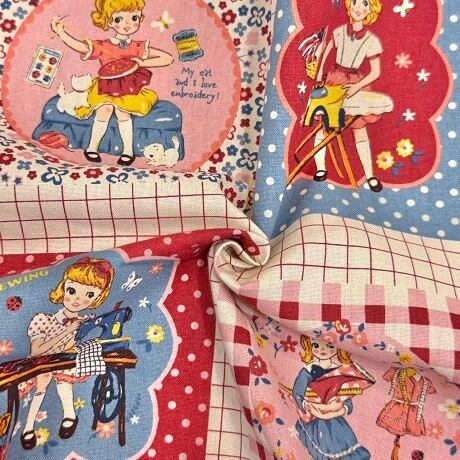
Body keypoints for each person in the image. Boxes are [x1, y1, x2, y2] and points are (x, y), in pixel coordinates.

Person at [50, 0, 174, 166]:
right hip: (106, 86)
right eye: (118, 19)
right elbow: (81, 47)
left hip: (129, 88)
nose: (127, 24)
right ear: (108, 22)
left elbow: (167, 58)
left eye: (134, 18)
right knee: (104, 110)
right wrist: (61, 33)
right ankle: (92, 148)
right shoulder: (103, 45)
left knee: (123, 113)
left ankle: (128, 151)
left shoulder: (137, 46)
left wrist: (142, 62)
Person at [21, 258, 114, 450]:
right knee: (44, 376)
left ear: (97, 298)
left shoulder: (81, 322)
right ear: (63, 287)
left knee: (64, 375)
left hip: (60, 361)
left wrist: (78, 333)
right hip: (40, 363)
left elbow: (70, 348)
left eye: (89, 295)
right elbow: (36, 351)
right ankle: (28, 426)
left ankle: (69, 415)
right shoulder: (42, 320)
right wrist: (68, 330)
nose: (77, 300)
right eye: (72, 291)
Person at [313, 0, 392, 192]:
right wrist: (319, 73)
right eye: (355, 2)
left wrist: (357, 87)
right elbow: (326, 51)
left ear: (371, 10)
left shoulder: (371, 40)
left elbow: (376, 72)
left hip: (355, 82)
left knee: (359, 127)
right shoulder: (339, 31)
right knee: (324, 126)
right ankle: (320, 168)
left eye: (365, 4)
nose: (358, 7)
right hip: (333, 79)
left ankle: (369, 175)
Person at [292, 336, 372, 460]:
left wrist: (342, 408)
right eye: (316, 345)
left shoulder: (339, 370)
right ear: (309, 346)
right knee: (324, 444)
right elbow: (298, 391)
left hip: (335, 418)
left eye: (330, 346)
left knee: (343, 442)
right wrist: (306, 405)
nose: (323, 350)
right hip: (315, 419)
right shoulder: (308, 370)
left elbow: (345, 393)